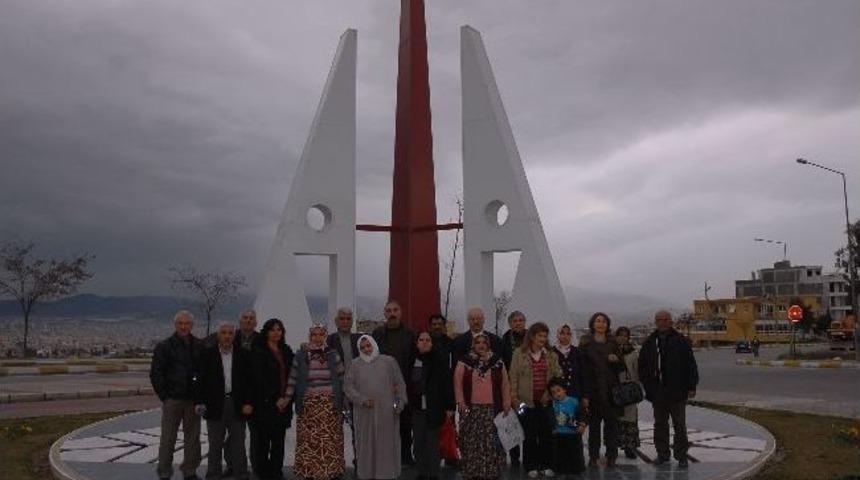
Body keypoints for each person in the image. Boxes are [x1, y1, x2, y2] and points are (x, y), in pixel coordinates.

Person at [638, 310, 699, 468]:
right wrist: (648, 387)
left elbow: (690, 365)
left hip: (677, 391)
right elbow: (642, 368)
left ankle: (681, 456)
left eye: (666, 319)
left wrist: (692, 386)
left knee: (679, 424)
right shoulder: (650, 342)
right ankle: (662, 454)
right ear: (656, 322)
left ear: (670, 321)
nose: (663, 322)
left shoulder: (681, 341)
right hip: (658, 392)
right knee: (660, 424)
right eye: (660, 320)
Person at [194, 322, 253, 480]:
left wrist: (248, 402)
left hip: (237, 403)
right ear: (218, 335)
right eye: (224, 333)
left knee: (238, 442)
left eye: (230, 333)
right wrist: (199, 402)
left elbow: (249, 382)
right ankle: (213, 474)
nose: (227, 336)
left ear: (234, 336)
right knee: (215, 443)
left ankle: (241, 473)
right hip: (214, 404)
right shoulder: (207, 354)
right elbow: (200, 381)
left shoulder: (244, 354)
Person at [287, 324, 346, 480]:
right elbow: (293, 379)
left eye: (320, 334)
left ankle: (331, 470)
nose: (317, 338)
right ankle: (309, 471)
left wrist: (345, 400)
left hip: (330, 405)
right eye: (314, 334)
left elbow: (342, 378)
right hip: (309, 406)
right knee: (309, 441)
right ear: (310, 336)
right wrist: (287, 398)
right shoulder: (301, 355)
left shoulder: (333, 354)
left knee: (329, 440)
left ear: (325, 336)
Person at [345, 335, 408, 480]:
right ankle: (367, 474)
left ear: (374, 345)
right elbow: (348, 388)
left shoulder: (388, 362)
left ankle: (386, 474)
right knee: (366, 445)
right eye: (362, 347)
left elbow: (399, 384)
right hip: (364, 413)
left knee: (386, 445)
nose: (366, 349)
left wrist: (399, 403)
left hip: (386, 412)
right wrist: (362, 400)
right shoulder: (355, 364)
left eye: (368, 346)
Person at [150, 310, 202, 480]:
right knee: (168, 438)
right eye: (181, 323)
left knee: (193, 439)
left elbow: (203, 372)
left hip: (193, 400)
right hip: (173, 399)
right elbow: (156, 374)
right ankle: (164, 472)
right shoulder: (164, 347)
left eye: (187, 323)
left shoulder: (199, 346)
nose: (184, 326)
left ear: (192, 325)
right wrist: (165, 396)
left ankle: (190, 471)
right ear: (175, 325)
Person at [454, 333, 512, 480]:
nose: (481, 345)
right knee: (471, 440)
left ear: (488, 345)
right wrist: (460, 401)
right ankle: (472, 471)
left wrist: (506, 402)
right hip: (470, 408)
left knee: (491, 442)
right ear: (473, 345)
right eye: (477, 342)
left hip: (493, 408)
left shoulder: (497, 362)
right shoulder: (464, 361)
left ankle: (491, 471)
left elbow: (505, 384)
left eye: (484, 342)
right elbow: (457, 383)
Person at [510, 322, 562, 478]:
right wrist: (514, 399)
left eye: (545, 336)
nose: (543, 339)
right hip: (525, 402)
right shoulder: (519, 353)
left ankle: (546, 464)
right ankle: (530, 465)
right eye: (540, 335)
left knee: (546, 433)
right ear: (532, 336)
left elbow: (558, 375)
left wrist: (550, 394)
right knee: (529, 434)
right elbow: (513, 377)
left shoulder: (551, 354)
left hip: (545, 401)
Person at [250, 318, 295, 480]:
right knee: (262, 442)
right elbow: (258, 378)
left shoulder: (287, 350)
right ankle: (263, 472)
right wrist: (275, 397)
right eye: (272, 329)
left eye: (279, 329)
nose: (276, 333)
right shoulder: (258, 350)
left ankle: (276, 471)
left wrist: (287, 398)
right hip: (265, 404)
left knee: (278, 442)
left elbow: (293, 375)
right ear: (266, 332)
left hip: (284, 405)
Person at [372, 300, 416, 465]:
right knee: (384, 424)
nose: (392, 313)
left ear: (400, 313)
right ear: (384, 313)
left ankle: (405, 456)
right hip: (382, 387)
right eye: (389, 310)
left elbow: (414, 359)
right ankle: (386, 456)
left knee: (405, 423)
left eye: (395, 310)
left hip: (403, 386)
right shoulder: (377, 334)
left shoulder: (410, 334)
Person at [579, 312, 624, 468]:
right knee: (594, 427)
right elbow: (582, 368)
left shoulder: (613, 343)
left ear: (607, 325)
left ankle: (611, 456)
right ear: (592, 324)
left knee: (612, 426)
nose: (601, 324)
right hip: (593, 391)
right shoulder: (585, 343)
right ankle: (593, 456)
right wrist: (584, 393)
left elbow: (622, 367)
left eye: (603, 321)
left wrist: (616, 360)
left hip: (611, 391)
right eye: (598, 321)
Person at [409, 331, 455, 480]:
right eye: (421, 339)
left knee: (433, 443)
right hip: (416, 408)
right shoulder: (411, 359)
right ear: (416, 343)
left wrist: (450, 406)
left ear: (432, 343)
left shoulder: (439, 360)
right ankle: (422, 472)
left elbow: (447, 384)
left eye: (427, 340)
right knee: (419, 442)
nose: (424, 342)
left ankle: (434, 473)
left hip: (435, 407)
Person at [326, 307, 361, 468]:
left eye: (348, 319)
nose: (345, 322)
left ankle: (360, 461)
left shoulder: (360, 340)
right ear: (336, 321)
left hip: (357, 391)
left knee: (359, 430)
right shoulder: (329, 341)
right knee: (334, 431)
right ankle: (335, 463)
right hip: (336, 392)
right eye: (342, 319)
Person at [500, 310, 527, 466]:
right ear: (510, 323)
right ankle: (514, 457)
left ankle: (529, 456)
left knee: (527, 421)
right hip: (511, 390)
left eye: (521, 320)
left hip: (528, 390)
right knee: (513, 422)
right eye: (515, 320)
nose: (518, 323)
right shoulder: (504, 341)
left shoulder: (532, 339)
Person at [547, 377, 586, 476]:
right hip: (559, 434)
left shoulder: (574, 401)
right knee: (560, 455)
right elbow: (550, 417)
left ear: (564, 389)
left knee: (574, 454)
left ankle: (576, 471)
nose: (557, 394)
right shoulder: (552, 405)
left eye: (558, 390)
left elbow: (581, 414)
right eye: (554, 392)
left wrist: (582, 424)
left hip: (573, 434)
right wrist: (552, 428)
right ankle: (560, 471)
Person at [614, 326, 641, 459]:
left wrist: (636, 386)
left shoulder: (632, 352)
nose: (623, 338)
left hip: (629, 389)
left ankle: (630, 447)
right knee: (616, 419)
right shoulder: (611, 350)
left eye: (626, 335)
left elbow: (637, 371)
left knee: (630, 419)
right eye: (620, 335)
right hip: (615, 389)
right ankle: (614, 446)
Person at [552, 324, 586, 403]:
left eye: (568, 334)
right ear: (558, 335)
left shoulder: (577, 352)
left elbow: (583, 374)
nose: (565, 336)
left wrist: (585, 395)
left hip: (575, 392)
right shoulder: (552, 352)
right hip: (558, 395)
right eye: (562, 333)